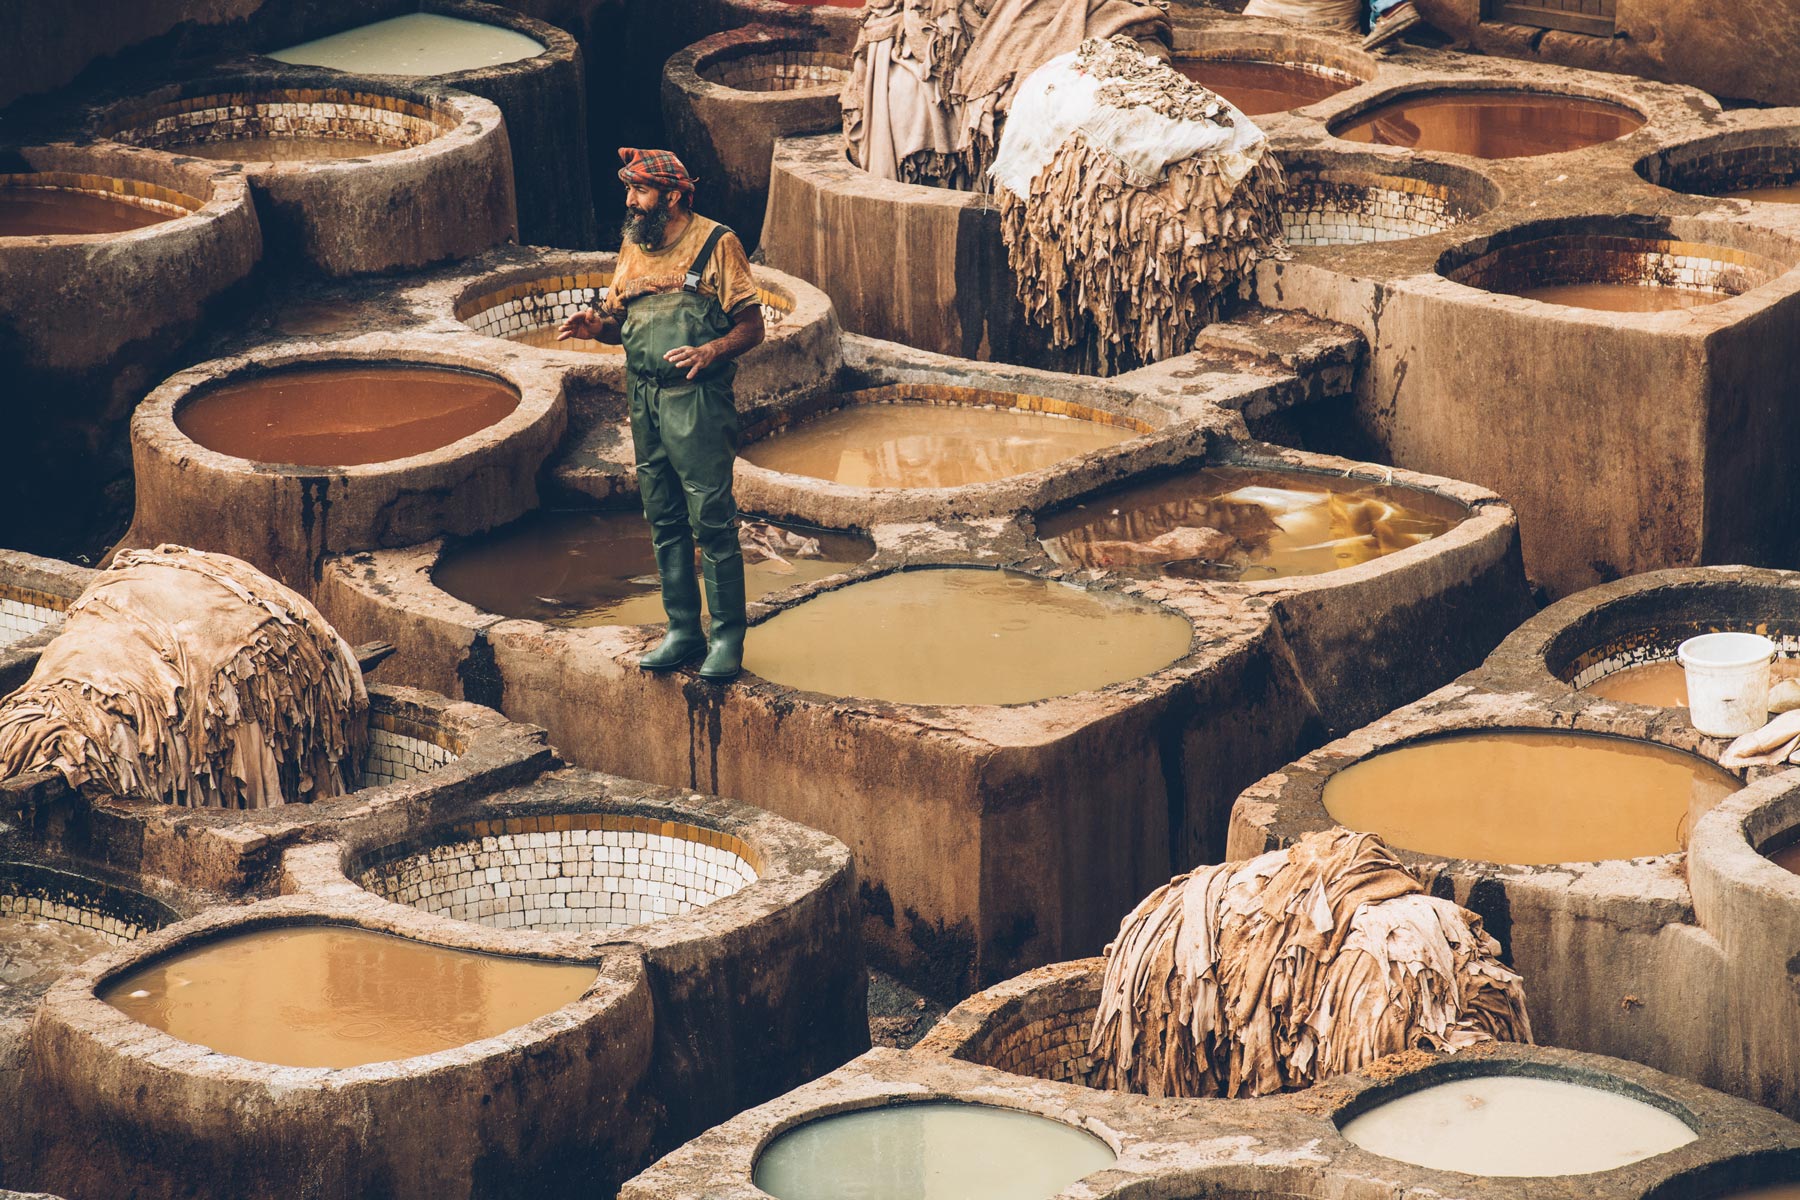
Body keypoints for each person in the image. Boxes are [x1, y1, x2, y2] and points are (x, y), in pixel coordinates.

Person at [558, 148, 765, 681]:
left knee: (712, 521)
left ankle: (726, 641)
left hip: (695, 399)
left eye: (641, 191)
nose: (630, 201)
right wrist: (595, 328)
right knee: (664, 518)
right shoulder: (633, 243)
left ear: (673, 196)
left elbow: (752, 327)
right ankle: (681, 630)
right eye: (629, 190)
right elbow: (620, 321)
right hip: (644, 396)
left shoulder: (718, 243)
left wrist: (711, 351)